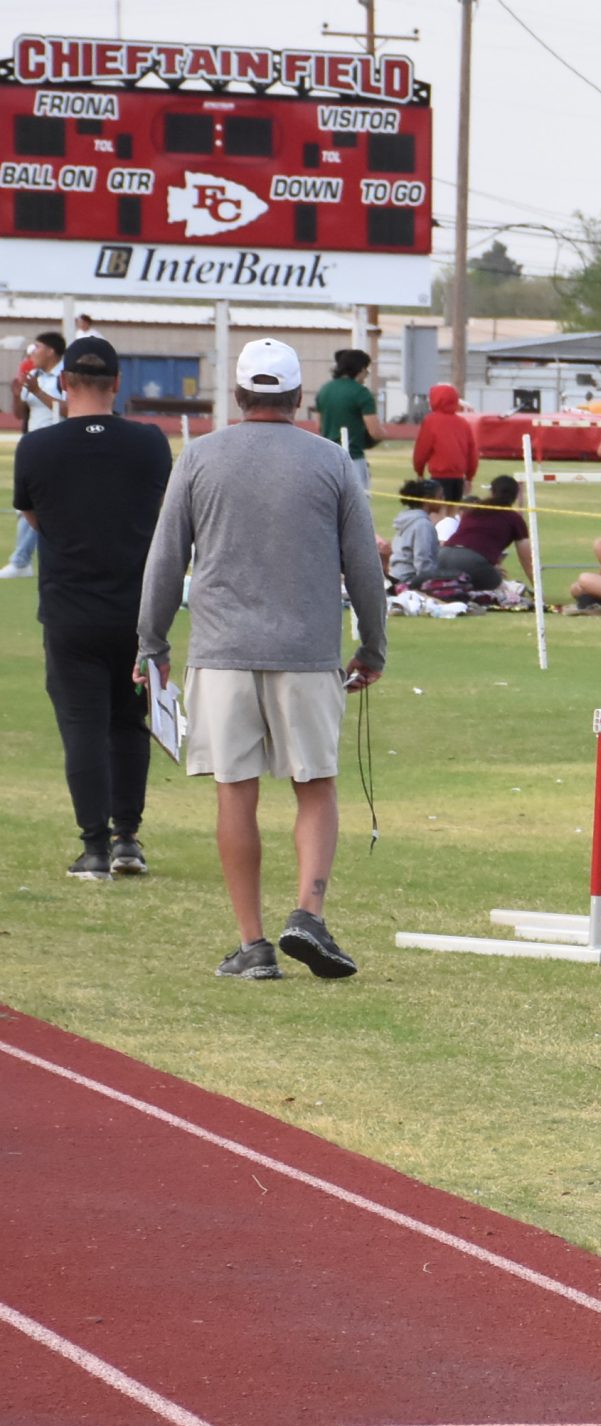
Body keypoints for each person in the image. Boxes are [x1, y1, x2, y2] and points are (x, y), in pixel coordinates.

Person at [138, 338, 387, 981]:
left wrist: (152, 644)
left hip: (221, 652)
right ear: (299, 397)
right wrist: (372, 646)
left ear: (239, 395)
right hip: (307, 652)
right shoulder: (331, 461)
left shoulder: (199, 457)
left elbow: (166, 559)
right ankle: (309, 912)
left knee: (234, 792)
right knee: (315, 784)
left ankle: (252, 945)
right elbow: (364, 566)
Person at [12, 335, 173, 880]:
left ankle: (95, 846)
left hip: (70, 608)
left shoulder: (36, 448)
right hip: (137, 609)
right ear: (117, 383)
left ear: (64, 382)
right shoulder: (150, 443)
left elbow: (34, 518)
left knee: (82, 725)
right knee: (130, 722)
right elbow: (159, 510)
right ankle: (127, 837)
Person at [7, 330, 67, 579]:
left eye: (37, 347)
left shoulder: (63, 376)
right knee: (28, 504)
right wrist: (16, 395)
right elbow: (20, 414)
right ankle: (26, 560)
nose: (33, 353)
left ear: (51, 351)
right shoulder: (34, 375)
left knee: (37, 503)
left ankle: (21, 560)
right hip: (32, 446)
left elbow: (69, 409)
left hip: (56, 446)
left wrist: (38, 392)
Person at [435, 475, 533, 593]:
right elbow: (527, 560)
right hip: (472, 561)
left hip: (443, 555)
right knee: (502, 592)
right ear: (515, 496)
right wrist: (538, 591)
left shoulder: (472, 512)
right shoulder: (514, 519)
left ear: (491, 492)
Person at [313, 349, 387, 465]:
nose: (366, 374)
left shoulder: (324, 390)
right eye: (366, 369)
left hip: (328, 457)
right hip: (353, 456)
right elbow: (375, 432)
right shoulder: (361, 393)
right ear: (361, 369)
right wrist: (382, 435)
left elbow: (319, 426)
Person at [411, 382, 478, 501]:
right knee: (453, 509)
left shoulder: (431, 421)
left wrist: (419, 471)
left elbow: (422, 450)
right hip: (458, 478)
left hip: (439, 476)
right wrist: (469, 477)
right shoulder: (463, 423)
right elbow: (472, 453)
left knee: (439, 509)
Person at [386, 479, 441, 586]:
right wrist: (429, 585)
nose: (444, 501)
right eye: (440, 497)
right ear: (427, 499)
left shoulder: (408, 519)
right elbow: (423, 561)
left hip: (396, 576)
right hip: (408, 581)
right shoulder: (422, 524)